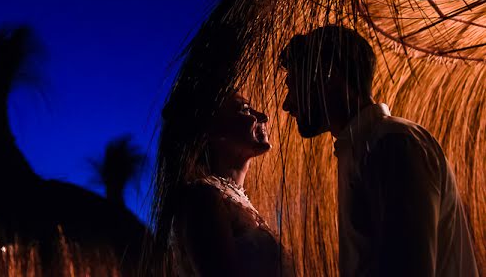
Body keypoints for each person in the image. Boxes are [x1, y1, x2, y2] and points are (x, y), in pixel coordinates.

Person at [280, 25, 478, 277]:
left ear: (329, 76)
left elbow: (408, 268)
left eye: (293, 85)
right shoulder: (362, 149)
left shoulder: (393, 144)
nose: (287, 104)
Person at [164, 90, 294, 276]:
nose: (263, 116)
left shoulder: (237, 201)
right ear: (212, 130)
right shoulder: (203, 198)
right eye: (246, 109)